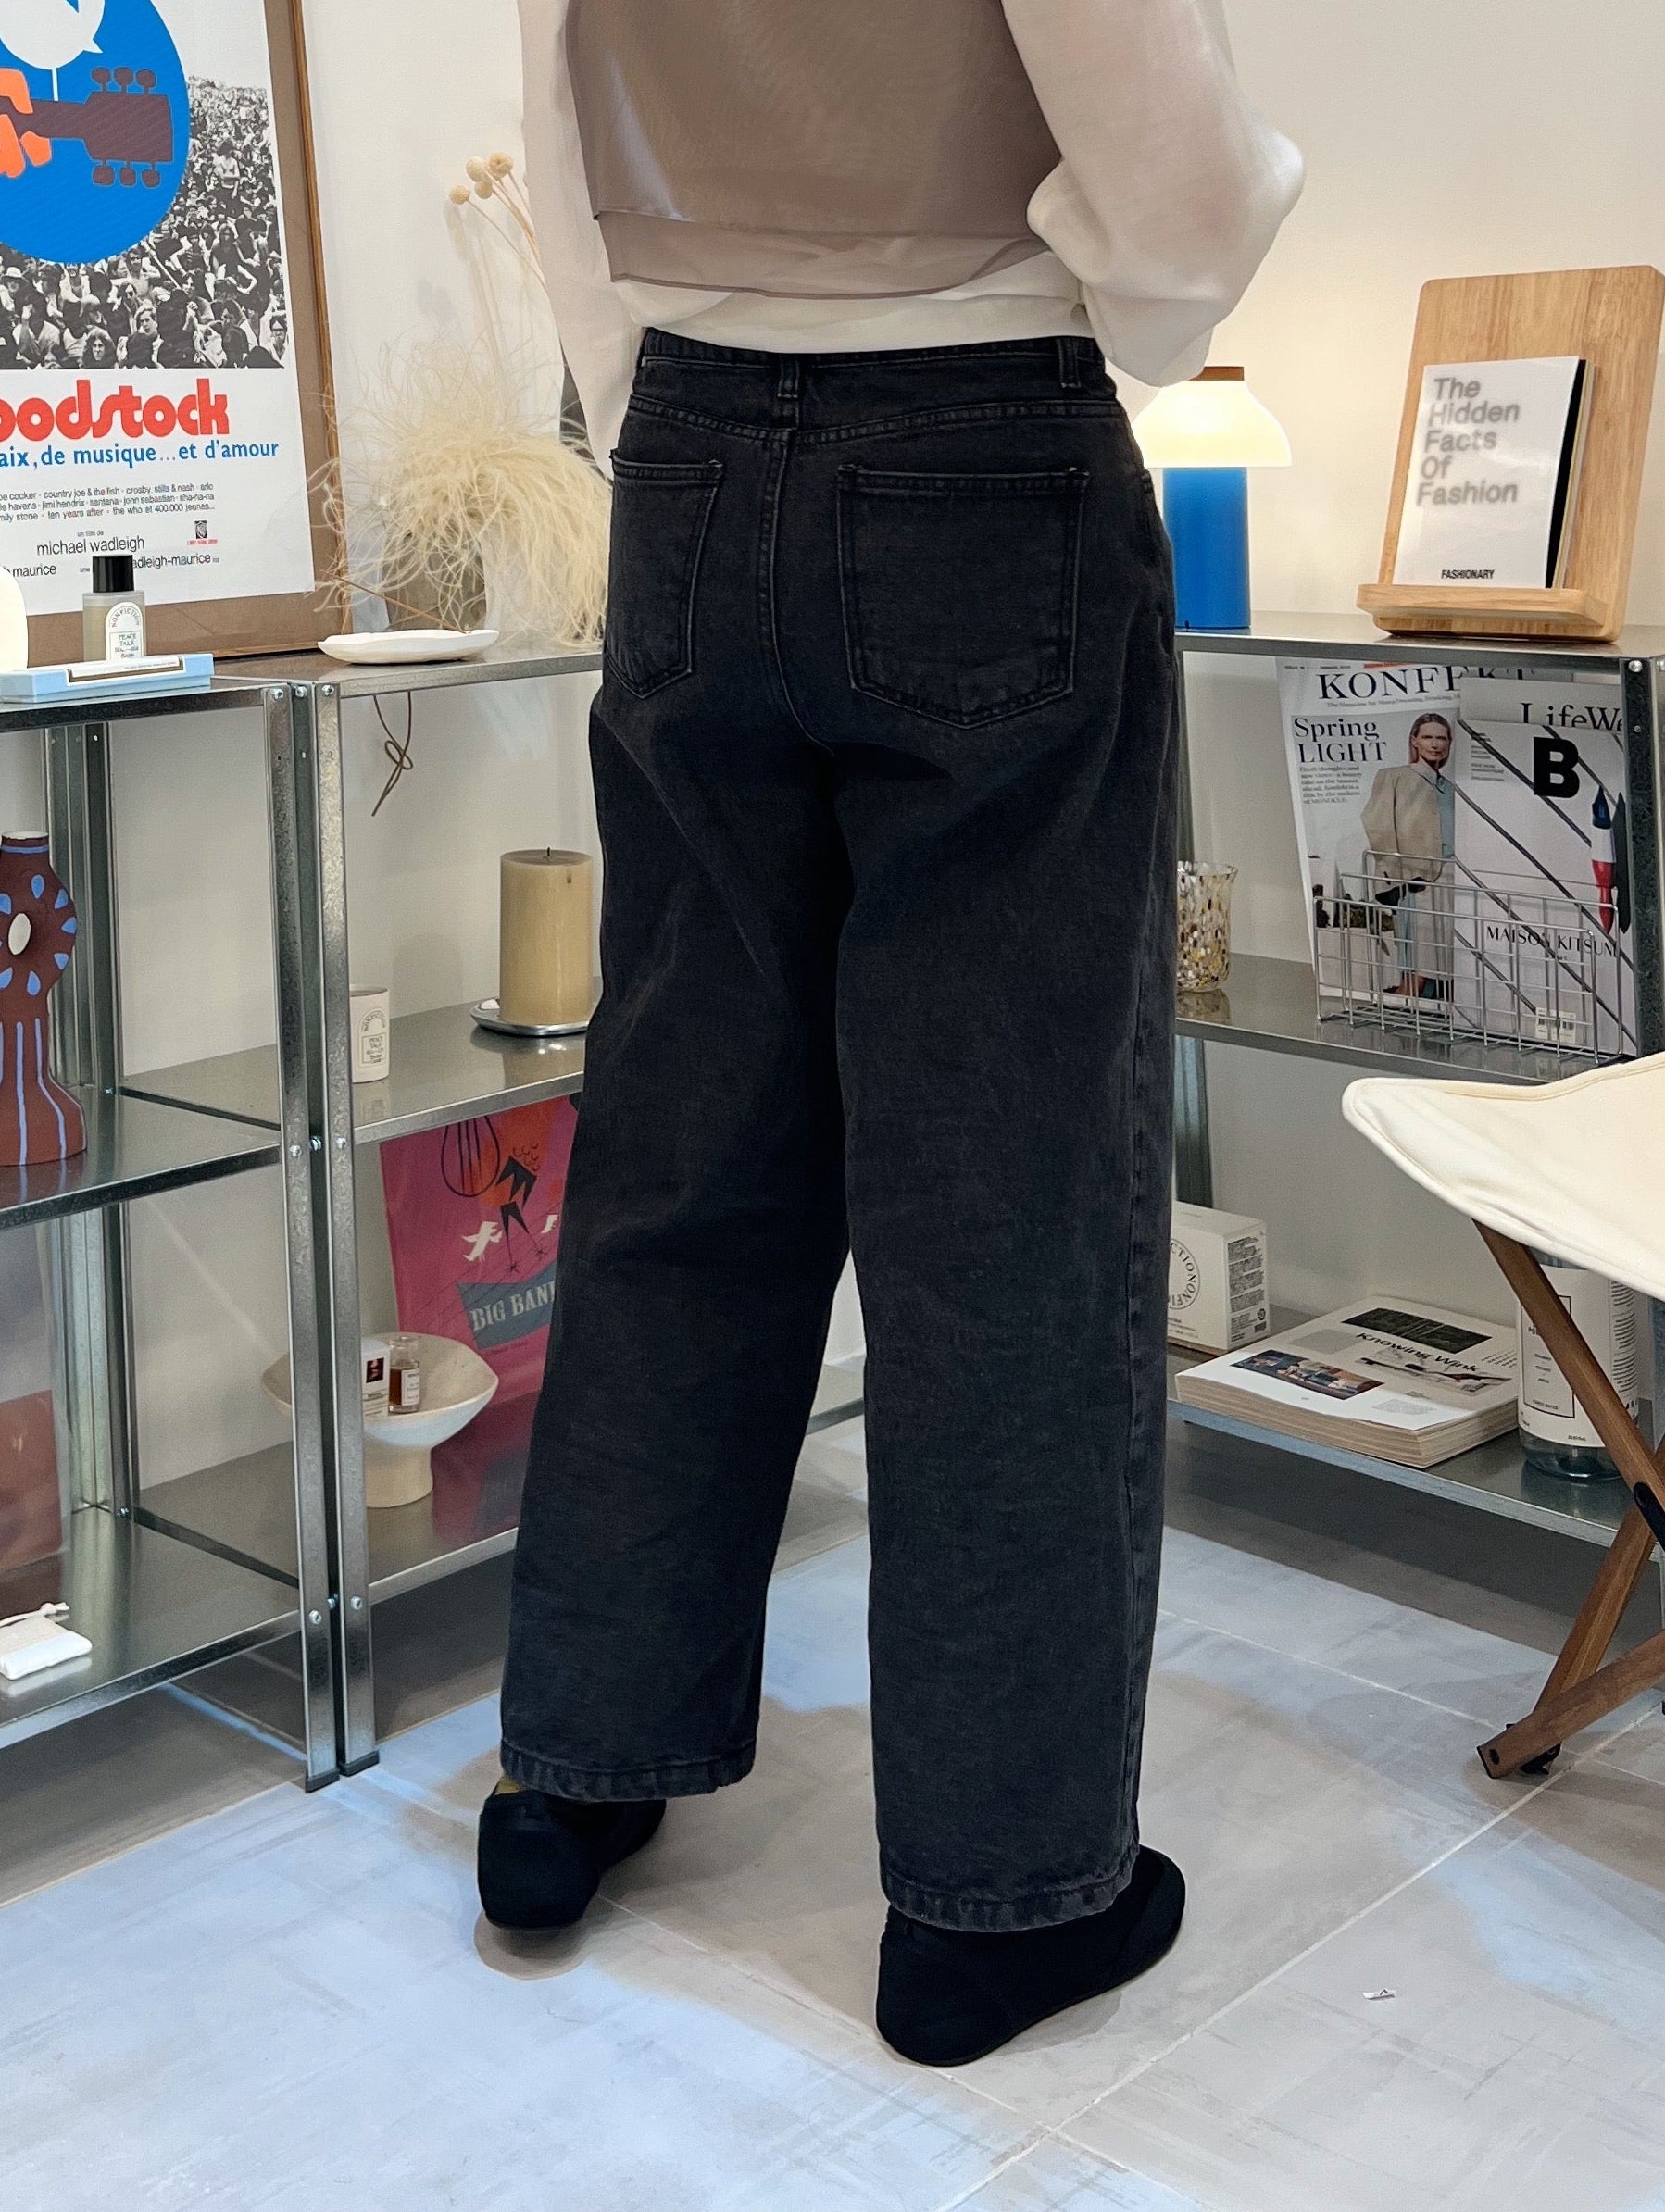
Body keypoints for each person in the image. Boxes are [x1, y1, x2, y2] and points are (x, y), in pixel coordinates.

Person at [486, 0, 1302, 2066]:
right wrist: (1108, 305)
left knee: (683, 1148)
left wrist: (654, 388)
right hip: (981, 429)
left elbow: (550, 83)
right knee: (1006, 1199)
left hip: (682, 442)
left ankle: (574, 1771)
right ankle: (994, 1898)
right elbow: (1169, 171)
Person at [1363, 712, 1457, 999]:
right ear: (1414, 741)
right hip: (1416, 880)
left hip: (1452, 880)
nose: (1435, 744)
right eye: (1428, 737)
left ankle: (1426, 1010)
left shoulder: (1452, 789)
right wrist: (1400, 876)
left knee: (1445, 959)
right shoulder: (1393, 777)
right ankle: (1403, 1008)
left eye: (1441, 738)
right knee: (1418, 960)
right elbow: (1377, 825)